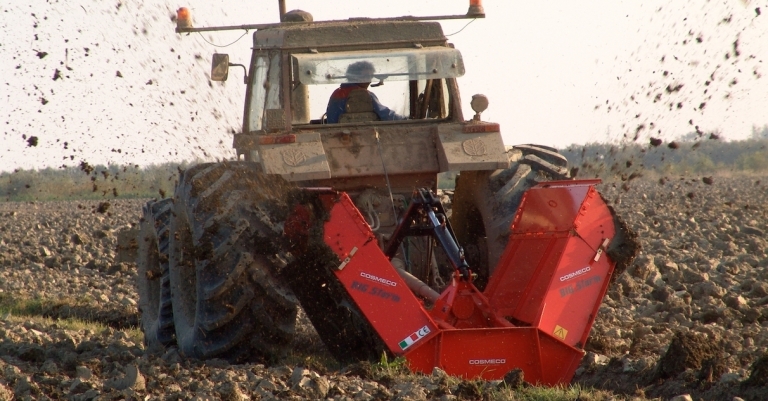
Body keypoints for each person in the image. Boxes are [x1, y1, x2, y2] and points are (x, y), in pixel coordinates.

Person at [325, 61, 406, 123]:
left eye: (370, 76)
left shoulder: (336, 94)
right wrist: (403, 119)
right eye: (366, 76)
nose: (369, 80)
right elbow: (385, 114)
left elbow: (331, 119)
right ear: (355, 77)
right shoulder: (365, 95)